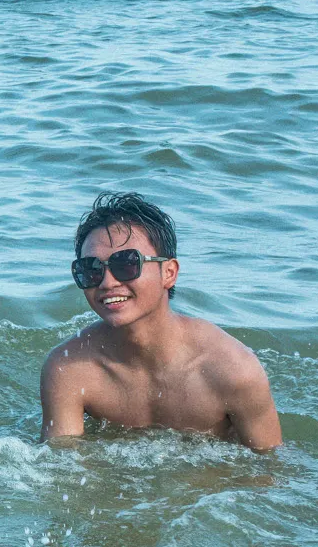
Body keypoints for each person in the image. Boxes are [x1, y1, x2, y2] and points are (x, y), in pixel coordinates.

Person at [40, 191, 281, 451]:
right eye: (91, 269)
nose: (108, 283)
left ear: (169, 273)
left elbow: (269, 470)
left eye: (127, 264)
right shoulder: (69, 369)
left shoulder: (233, 370)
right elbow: (61, 468)